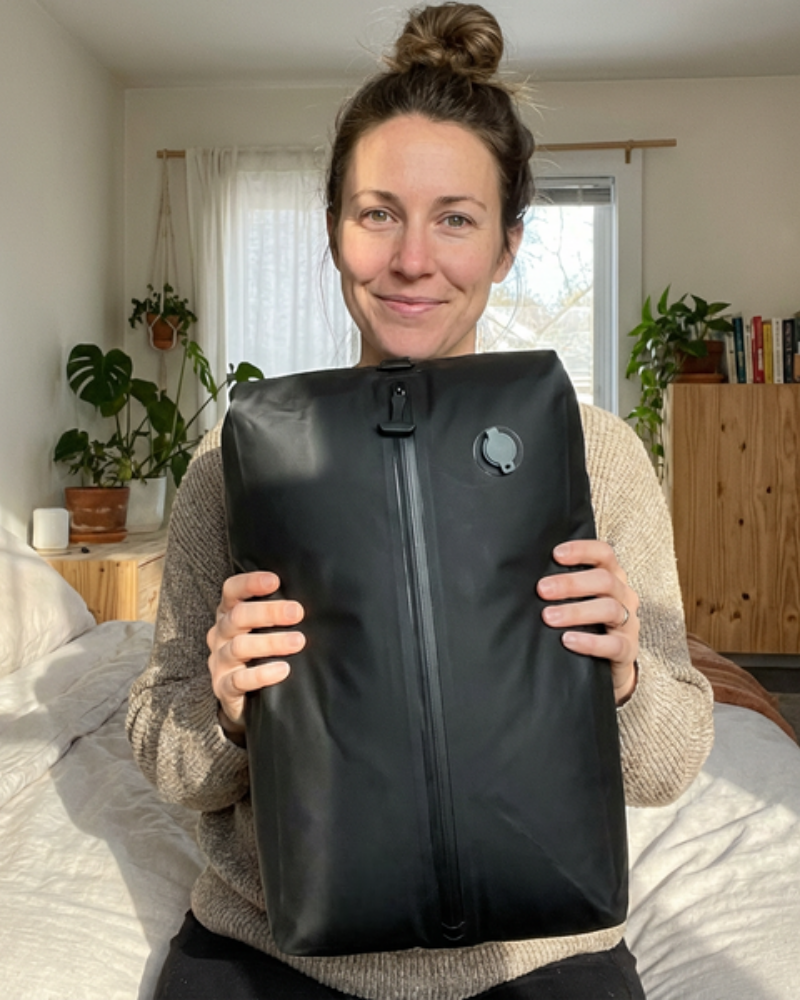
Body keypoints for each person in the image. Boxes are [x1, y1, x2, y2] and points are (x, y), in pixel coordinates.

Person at [127, 4, 714, 998]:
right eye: (376, 214)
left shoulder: (598, 456)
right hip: (269, 946)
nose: (411, 258)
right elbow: (166, 754)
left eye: (455, 218)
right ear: (333, 231)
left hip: (540, 949)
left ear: (506, 245)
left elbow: (668, 766)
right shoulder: (232, 463)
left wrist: (621, 678)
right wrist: (225, 709)